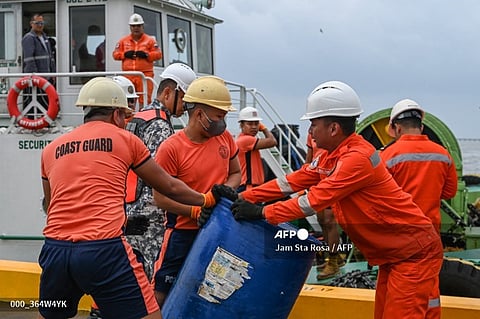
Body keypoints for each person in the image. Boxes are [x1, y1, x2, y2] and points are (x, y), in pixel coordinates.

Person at [225, 81, 443, 319]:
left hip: (412, 254)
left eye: (314, 124)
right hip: (395, 254)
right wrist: (242, 196)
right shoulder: (333, 156)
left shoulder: (356, 159)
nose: (309, 131)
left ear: (333, 128)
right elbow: (293, 181)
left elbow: (313, 200)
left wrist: (262, 213)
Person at [38, 77, 221, 319]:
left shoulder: (51, 149)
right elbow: (168, 186)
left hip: (55, 250)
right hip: (103, 249)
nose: (127, 122)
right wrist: (205, 200)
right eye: (125, 116)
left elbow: (50, 206)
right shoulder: (125, 140)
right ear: (115, 114)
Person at [152, 75, 241, 308]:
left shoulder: (225, 139)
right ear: (200, 114)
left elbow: (235, 173)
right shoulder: (172, 148)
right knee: (164, 287)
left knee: (213, 289)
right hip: (182, 233)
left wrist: (224, 192)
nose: (223, 122)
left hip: (220, 229)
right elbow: (159, 197)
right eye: (219, 116)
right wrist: (193, 211)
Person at [124, 63, 196, 281]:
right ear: (168, 93)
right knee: (151, 273)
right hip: (150, 215)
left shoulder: (139, 118)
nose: (186, 107)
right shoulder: (160, 125)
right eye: (184, 99)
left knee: (133, 269)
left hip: (130, 208)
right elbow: (161, 176)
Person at [380, 98, 458, 233]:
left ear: (397, 128)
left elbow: (379, 196)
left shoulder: (387, 156)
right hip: (430, 231)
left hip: (398, 233)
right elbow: (449, 192)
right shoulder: (443, 155)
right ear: (421, 127)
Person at [305, 132, 344, 279]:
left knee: (329, 221)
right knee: (322, 220)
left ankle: (333, 261)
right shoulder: (312, 133)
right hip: (318, 179)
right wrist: (308, 180)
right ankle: (334, 257)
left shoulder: (334, 131)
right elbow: (309, 157)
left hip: (331, 179)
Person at [113, 13, 162, 107]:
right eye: (133, 26)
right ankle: (128, 120)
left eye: (138, 25)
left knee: (144, 100)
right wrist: (124, 55)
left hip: (144, 75)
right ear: (130, 27)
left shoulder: (150, 40)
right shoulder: (123, 41)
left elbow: (158, 54)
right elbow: (115, 54)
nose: (136, 28)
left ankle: (143, 118)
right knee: (128, 100)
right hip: (128, 75)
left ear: (142, 26)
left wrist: (147, 55)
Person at [236, 106, 277, 192]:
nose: (254, 127)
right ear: (242, 125)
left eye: (256, 123)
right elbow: (272, 141)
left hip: (250, 186)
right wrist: (264, 128)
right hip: (248, 187)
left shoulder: (244, 139)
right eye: (250, 124)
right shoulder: (246, 140)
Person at [22, 13, 56, 116]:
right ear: (31, 24)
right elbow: (29, 59)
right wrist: (36, 76)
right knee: (35, 100)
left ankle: (46, 122)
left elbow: (50, 58)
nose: (40, 25)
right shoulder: (29, 38)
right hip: (36, 78)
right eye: (37, 23)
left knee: (45, 100)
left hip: (47, 76)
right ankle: (33, 122)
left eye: (42, 23)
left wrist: (53, 73)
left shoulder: (45, 37)